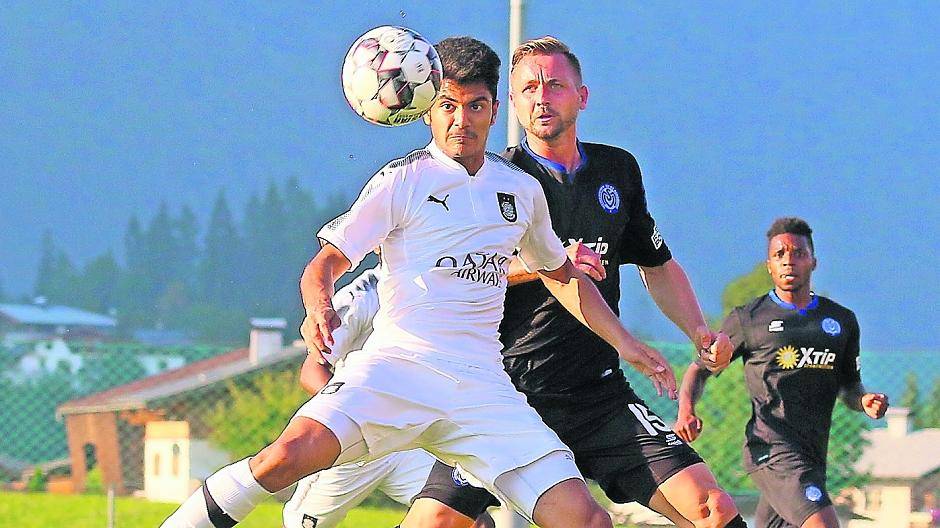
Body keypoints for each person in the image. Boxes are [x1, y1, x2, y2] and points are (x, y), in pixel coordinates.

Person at [161, 36, 676, 528]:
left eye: (475, 106)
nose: (461, 121)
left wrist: (627, 345)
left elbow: (559, 275)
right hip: (397, 369)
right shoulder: (401, 181)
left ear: (495, 110)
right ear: (428, 107)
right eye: (448, 105)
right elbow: (324, 264)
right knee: (284, 459)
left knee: (587, 519)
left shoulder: (520, 190)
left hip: (482, 387)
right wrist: (319, 305)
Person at [401, 36, 746, 528]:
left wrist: (698, 331)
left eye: (555, 85)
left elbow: (657, 263)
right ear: (511, 105)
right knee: (436, 523)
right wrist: (548, 263)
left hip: (598, 394)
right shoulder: (491, 179)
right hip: (508, 393)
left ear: (581, 96)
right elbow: (455, 272)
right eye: (529, 88)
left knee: (715, 510)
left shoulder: (617, 170)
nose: (542, 96)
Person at [674, 217, 890, 528]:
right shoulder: (750, 319)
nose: (789, 260)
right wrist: (686, 410)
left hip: (812, 456)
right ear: (769, 265)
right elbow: (700, 369)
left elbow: (849, 386)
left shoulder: (840, 321)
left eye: (798, 253)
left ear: (813, 261)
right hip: (771, 449)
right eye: (780, 254)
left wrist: (865, 399)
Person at [283, 264, 494, 528]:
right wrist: (361, 409)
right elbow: (312, 371)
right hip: (358, 440)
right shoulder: (364, 294)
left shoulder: (451, 289)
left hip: (412, 441)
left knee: (474, 522)